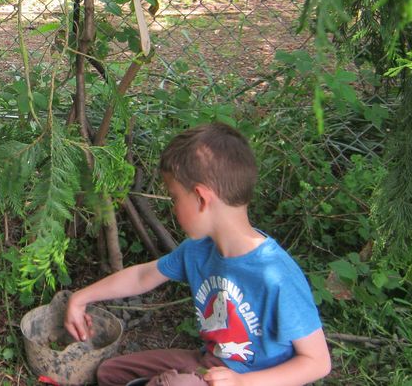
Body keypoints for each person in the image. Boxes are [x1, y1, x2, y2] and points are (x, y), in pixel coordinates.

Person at [65, 123, 331, 386]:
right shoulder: (198, 250)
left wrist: (241, 383)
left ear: (202, 198)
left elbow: (317, 362)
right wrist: (81, 298)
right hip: (210, 365)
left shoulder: (277, 276)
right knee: (111, 372)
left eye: (174, 198)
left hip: (257, 381)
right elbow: (143, 276)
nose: (173, 206)